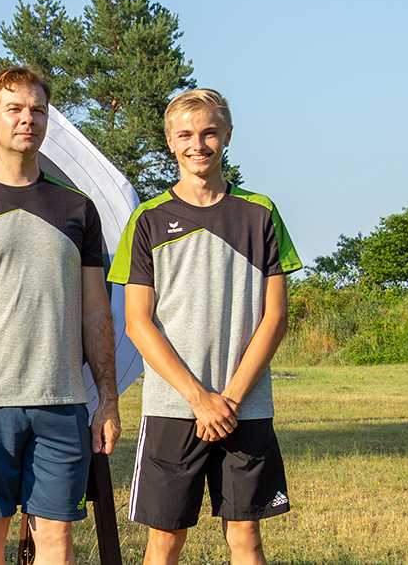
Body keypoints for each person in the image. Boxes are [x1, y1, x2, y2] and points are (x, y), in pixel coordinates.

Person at [0, 67, 121, 565]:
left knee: (56, 540)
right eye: (14, 108)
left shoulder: (78, 208)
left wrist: (108, 400)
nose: (26, 119)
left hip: (63, 401)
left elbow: (97, 309)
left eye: (37, 110)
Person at [108, 88, 301, 565]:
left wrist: (229, 399)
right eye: (186, 135)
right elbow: (138, 321)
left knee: (246, 539)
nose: (199, 144)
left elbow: (275, 317)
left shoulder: (261, 213)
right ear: (170, 142)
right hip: (174, 408)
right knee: (166, 540)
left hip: (245, 406)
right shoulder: (147, 220)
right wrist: (200, 399)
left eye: (210, 132)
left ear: (228, 136)